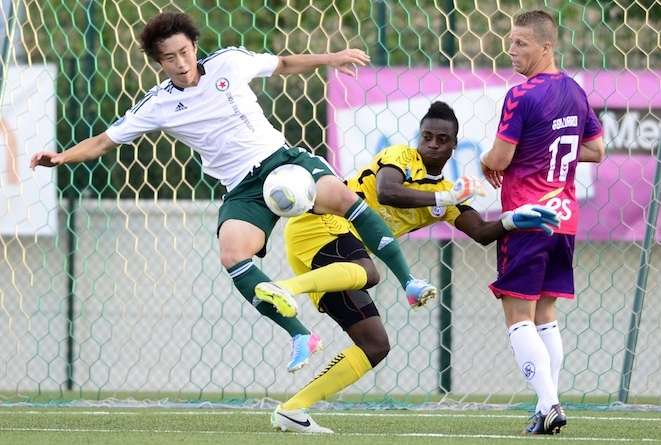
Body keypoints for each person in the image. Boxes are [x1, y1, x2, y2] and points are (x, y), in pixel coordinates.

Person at [29, 11, 438, 373]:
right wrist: (62, 157)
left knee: (344, 198)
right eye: (170, 57)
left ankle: (409, 282)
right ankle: (300, 335)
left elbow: (283, 63)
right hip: (242, 188)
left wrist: (332, 58)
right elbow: (104, 141)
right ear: (159, 62)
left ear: (194, 47)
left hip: (283, 162)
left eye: (185, 51)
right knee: (232, 255)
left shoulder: (228, 62)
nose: (181, 62)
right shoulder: (156, 104)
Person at [271, 101, 561, 433]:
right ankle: (285, 288)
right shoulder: (401, 158)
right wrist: (444, 200)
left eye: (441, 139)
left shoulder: (445, 193)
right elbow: (388, 191)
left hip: (338, 259)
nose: (433, 144)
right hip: (320, 224)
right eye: (427, 137)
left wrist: (511, 221)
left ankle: (292, 409)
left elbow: (480, 232)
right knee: (370, 272)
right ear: (418, 138)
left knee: (374, 344)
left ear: (454, 145)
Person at [480, 10, 605, 435]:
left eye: (520, 43)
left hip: (527, 218)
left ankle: (549, 404)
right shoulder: (574, 91)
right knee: (546, 312)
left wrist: (487, 162)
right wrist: (556, 147)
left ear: (545, 46)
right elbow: (596, 149)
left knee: (518, 314)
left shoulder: (522, 95)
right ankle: (548, 403)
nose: (510, 50)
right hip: (564, 219)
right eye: (510, 41)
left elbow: (498, 159)